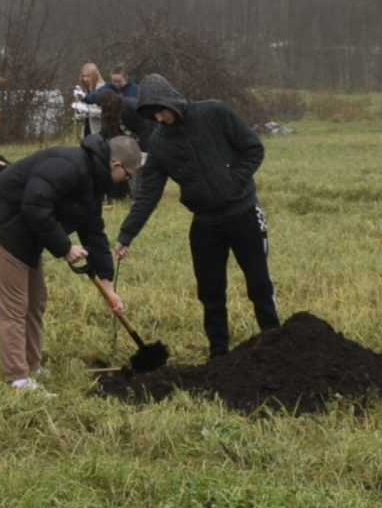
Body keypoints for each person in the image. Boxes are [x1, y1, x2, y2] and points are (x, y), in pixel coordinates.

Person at [114, 72, 279, 357]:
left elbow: (253, 149)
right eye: (152, 115)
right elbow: (148, 193)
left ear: (171, 100)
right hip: (205, 223)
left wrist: (233, 181)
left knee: (259, 284)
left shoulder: (215, 112)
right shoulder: (159, 143)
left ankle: (276, 344)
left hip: (243, 214)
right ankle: (219, 355)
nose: (159, 119)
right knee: (211, 293)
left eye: (160, 111)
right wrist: (126, 234)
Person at [0, 132, 141, 392]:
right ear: (116, 165)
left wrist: (108, 286)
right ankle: (18, 377)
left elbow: (93, 231)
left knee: (36, 300)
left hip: (28, 233)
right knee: (14, 305)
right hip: (2, 226)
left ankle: (32, 365)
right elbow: (34, 205)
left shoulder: (94, 180)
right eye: (128, 176)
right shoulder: (68, 166)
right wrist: (65, 247)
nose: (126, 182)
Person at [70, 62, 104, 140]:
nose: (85, 79)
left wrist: (88, 110)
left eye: (88, 76)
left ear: (94, 76)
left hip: (98, 131)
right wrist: (79, 113)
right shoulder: (85, 90)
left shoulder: (102, 89)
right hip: (86, 131)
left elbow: (104, 111)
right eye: (83, 76)